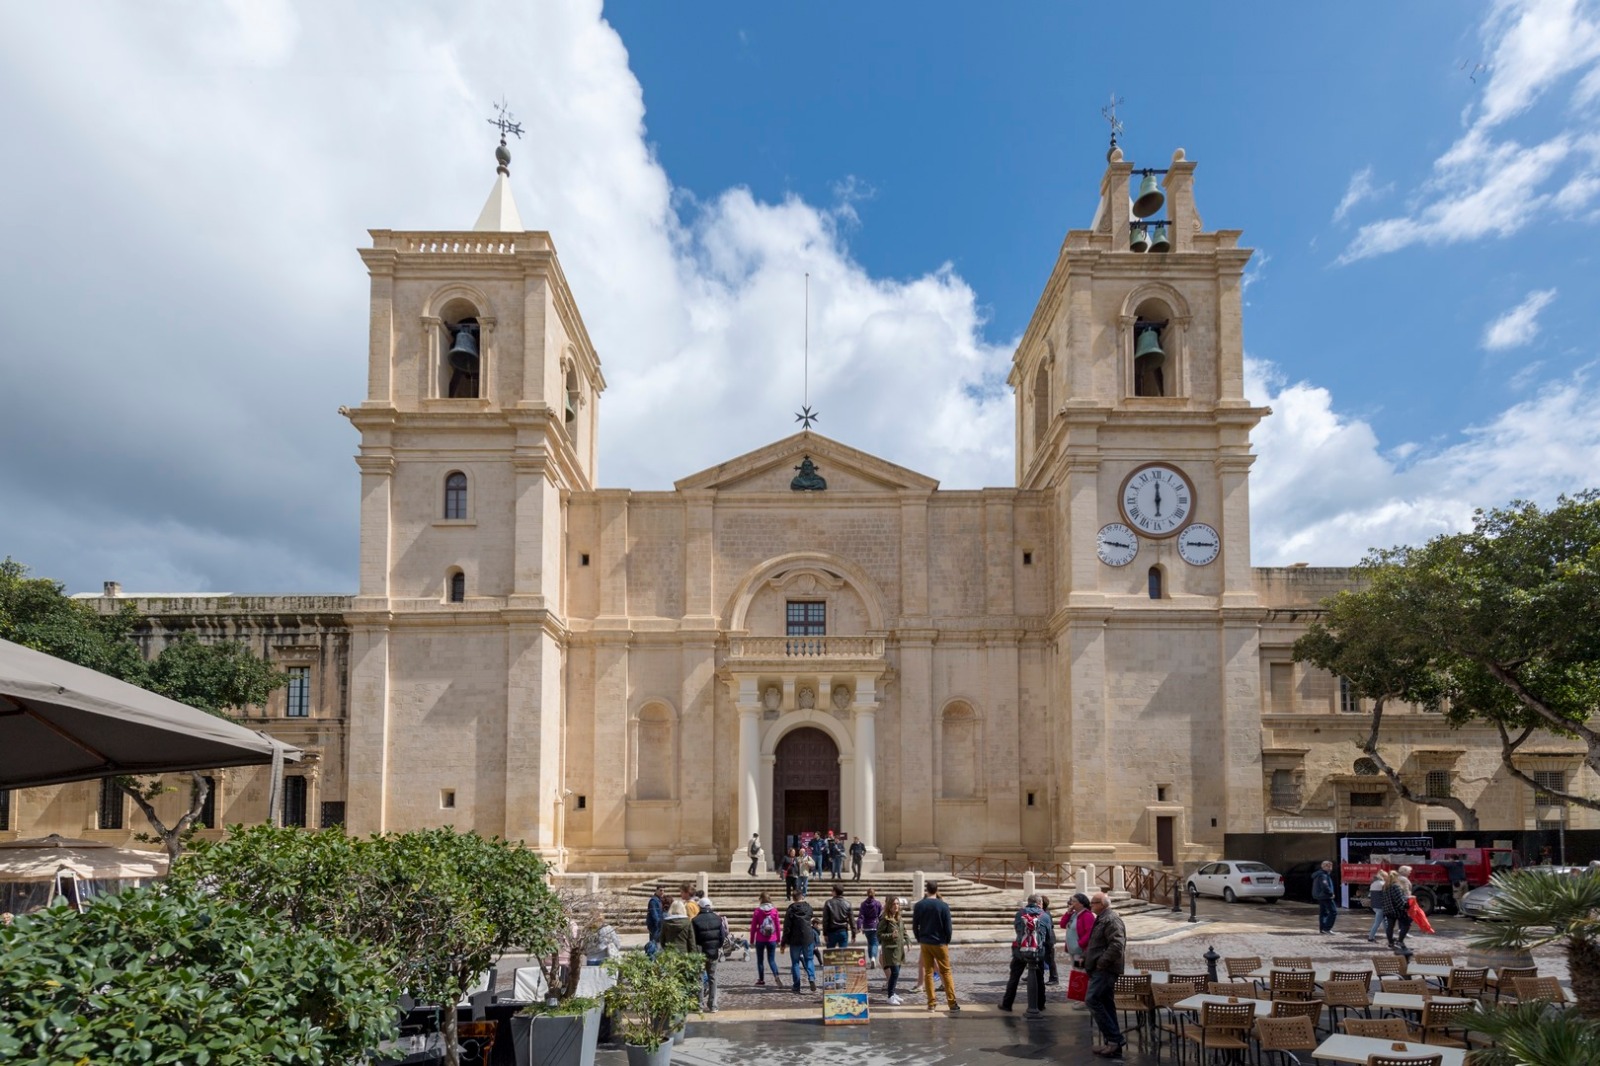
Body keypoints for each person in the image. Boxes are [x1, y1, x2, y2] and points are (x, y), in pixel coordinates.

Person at [1084, 892, 1127, 1058]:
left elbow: (1117, 945)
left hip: (1106, 970)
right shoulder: (1102, 918)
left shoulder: (1111, 919)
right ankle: (1113, 1044)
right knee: (1106, 1003)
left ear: (1102, 904)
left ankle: (1115, 1039)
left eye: (1093, 903)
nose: (1091, 906)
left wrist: (1101, 963)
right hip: (1100, 969)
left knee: (1092, 999)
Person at [999, 893, 1052, 1016]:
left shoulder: (1020, 913)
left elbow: (1017, 930)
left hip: (1020, 950)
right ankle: (1040, 1004)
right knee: (1039, 978)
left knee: (1014, 977)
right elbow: (1048, 936)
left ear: (1028, 902)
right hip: (1037, 951)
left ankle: (1007, 1004)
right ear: (1040, 903)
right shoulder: (1045, 916)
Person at [912, 881, 959, 1012]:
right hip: (940, 942)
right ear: (937, 889)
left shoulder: (919, 905)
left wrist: (919, 938)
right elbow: (948, 927)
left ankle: (931, 1003)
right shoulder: (943, 905)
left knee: (928, 972)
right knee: (946, 972)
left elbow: (915, 926)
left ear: (926, 890)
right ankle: (952, 1003)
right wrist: (947, 940)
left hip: (925, 942)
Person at [691, 897, 727, 1011]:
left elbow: (693, 939)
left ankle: (699, 1004)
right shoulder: (717, 919)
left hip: (700, 952)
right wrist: (717, 946)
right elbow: (722, 936)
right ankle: (713, 1005)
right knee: (712, 977)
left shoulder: (695, 920)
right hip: (713, 952)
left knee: (699, 978)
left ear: (699, 907)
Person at [781, 890, 818, 993]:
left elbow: (787, 927)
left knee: (795, 963)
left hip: (795, 939)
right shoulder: (809, 908)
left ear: (793, 898)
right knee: (809, 959)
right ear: (802, 896)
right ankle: (811, 978)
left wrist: (784, 941)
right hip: (808, 938)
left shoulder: (791, 909)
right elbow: (810, 917)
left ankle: (796, 985)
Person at [877, 896, 908, 1005]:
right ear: (889, 906)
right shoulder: (885, 919)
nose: (896, 906)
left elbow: (903, 930)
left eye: (897, 904)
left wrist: (907, 940)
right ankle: (890, 996)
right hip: (890, 950)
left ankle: (893, 993)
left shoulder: (899, 917)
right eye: (894, 904)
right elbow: (879, 934)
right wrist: (891, 935)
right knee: (895, 972)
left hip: (899, 949)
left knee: (896, 973)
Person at [749, 892, 782, 986]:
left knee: (760, 960)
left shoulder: (757, 911)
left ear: (761, 899)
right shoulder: (774, 911)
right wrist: (779, 939)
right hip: (772, 939)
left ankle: (761, 979)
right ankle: (776, 975)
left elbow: (753, 927)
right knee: (771, 960)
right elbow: (778, 926)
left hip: (760, 939)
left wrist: (751, 940)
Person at [1382, 870, 1413, 954]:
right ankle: (1400, 940)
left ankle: (1390, 942)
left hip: (1388, 910)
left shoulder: (1385, 886)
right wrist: (1406, 905)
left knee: (1390, 927)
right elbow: (1399, 899)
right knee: (1406, 924)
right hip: (1397, 910)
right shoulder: (1395, 886)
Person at [822, 884, 855, 949]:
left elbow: (825, 920)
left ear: (834, 892)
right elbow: (852, 920)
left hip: (831, 931)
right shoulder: (847, 904)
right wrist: (853, 934)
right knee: (842, 954)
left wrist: (825, 933)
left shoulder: (828, 903)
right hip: (843, 931)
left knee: (830, 954)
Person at [858, 888, 884, 967]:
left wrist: (859, 925)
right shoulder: (877, 903)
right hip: (875, 925)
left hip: (866, 927)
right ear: (874, 894)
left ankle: (870, 957)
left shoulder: (863, 904)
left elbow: (861, 916)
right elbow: (881, 915)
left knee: (870, 942)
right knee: (875, 943)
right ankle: (873, 957)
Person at [1312, 860, 1338, 935]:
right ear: (1323, 866)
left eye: (1331, 866)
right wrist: (1331, 893)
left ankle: (1323, 929)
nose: (1330, 868)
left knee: (1324, 912)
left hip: (1322, 896)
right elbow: (1325, 886)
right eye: (1328, 866)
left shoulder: (1323, 874)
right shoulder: (1323, 875)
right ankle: (1327, 928)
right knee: (1333, 911)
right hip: (1325, 896)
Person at [1040, 895, 1059, 984]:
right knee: (1039, 959)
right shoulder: (1043, 912)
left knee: (1050, 959)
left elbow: (1050, 926)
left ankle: (1054, 978)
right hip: (1044, 939)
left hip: (1048, 940)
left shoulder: (1046, 913)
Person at [645, 884, 668, 958]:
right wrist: (660, 924)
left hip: (659, 926)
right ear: (656, 890)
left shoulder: (659, 900)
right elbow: (655, 915)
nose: (662, 892)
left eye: (663, 891)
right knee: (654, 945)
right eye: (660, 890)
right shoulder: (653, 901)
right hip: (656, 927)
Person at [1366, 870, 1388, 942]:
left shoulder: (1373, 884)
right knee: (1377, 923)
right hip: (1381, 906)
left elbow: (1370, 895)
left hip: (1374, 906)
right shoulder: (1383, 884)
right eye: (1386, 876)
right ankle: (1371, 937)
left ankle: (1389, 936)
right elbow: (1386, 896)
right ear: (1383, 876)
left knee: (1384, 921)